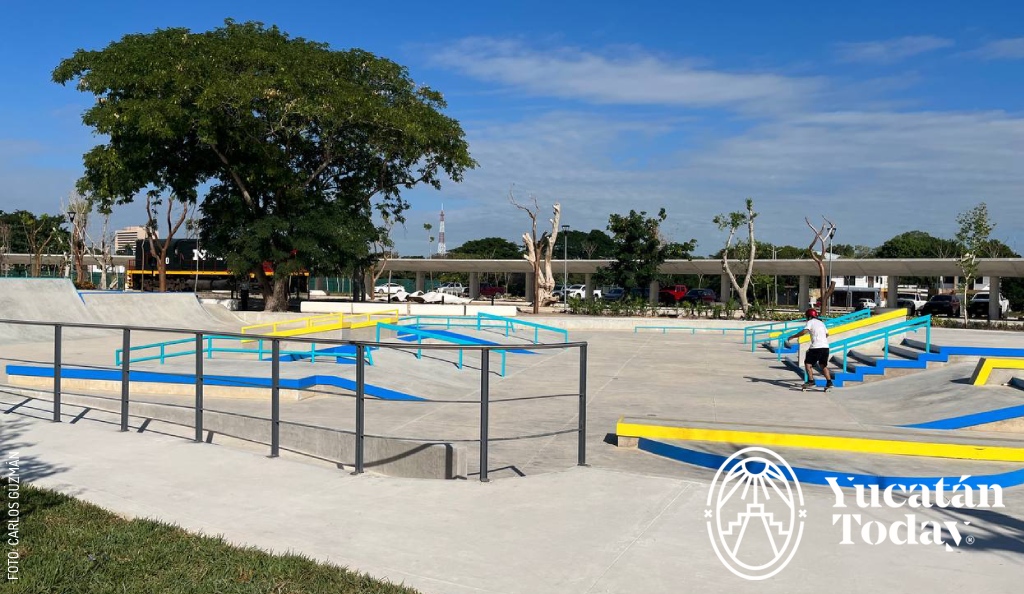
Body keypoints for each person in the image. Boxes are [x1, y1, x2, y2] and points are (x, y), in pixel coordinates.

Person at [791, 308, 833, 391]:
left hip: (816, 347)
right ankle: (829, 382)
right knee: (823, 365)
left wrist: (793, 336)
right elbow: (827, 334)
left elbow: (804, 332)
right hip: (825, 347)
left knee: (808, 363)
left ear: (809, 316)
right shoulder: (821, 323)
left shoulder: (810, 322)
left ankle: (811, 381)